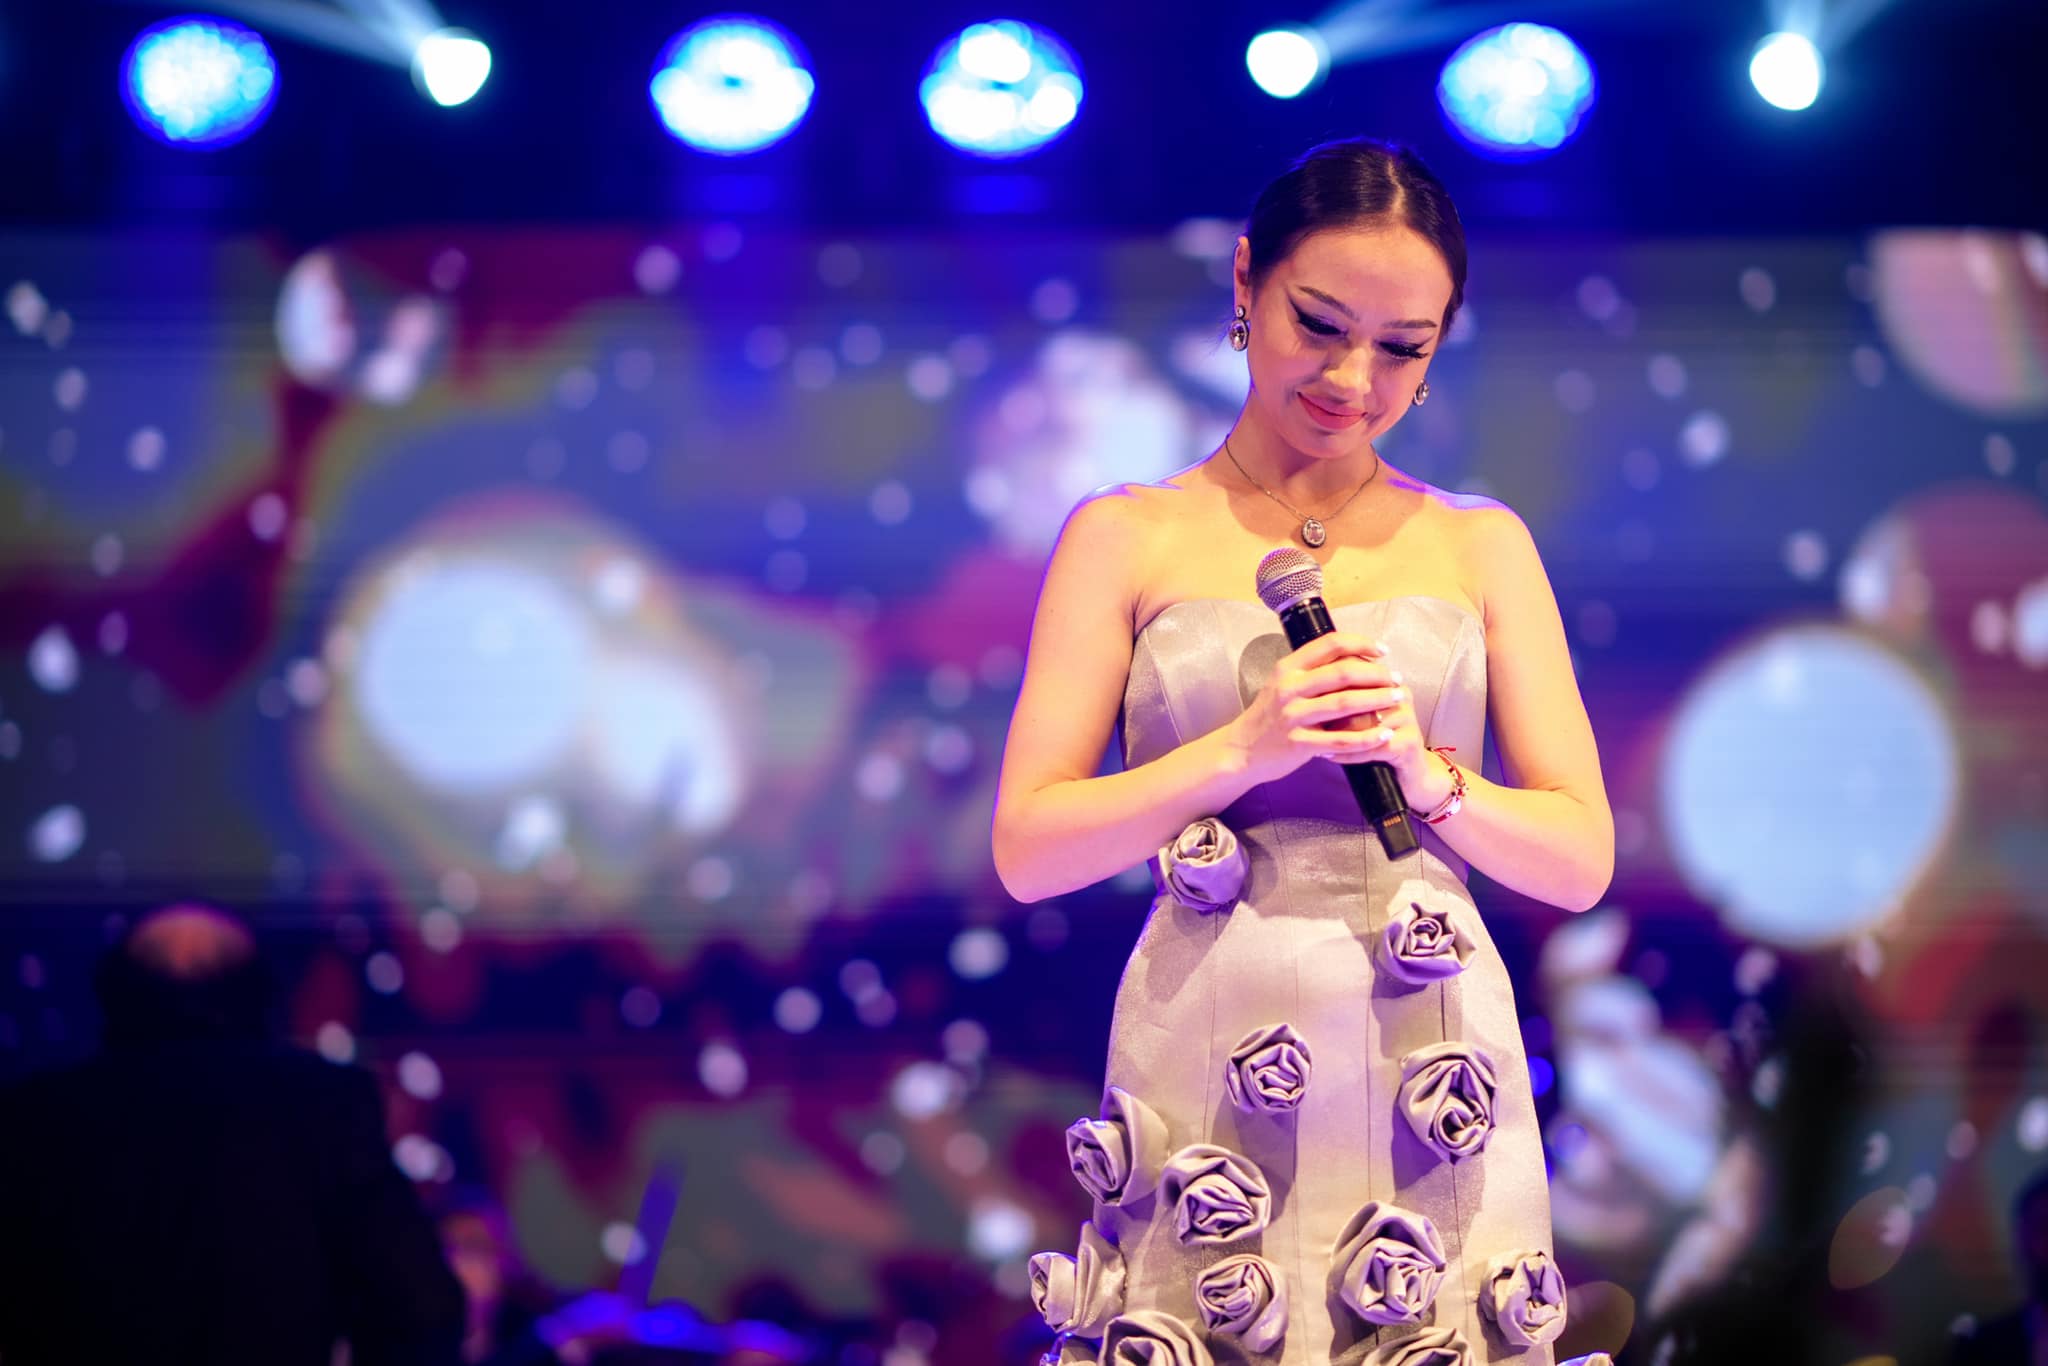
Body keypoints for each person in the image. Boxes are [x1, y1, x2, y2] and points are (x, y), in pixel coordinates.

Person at [993, 137, 1613, 1364]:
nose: (1350, 377)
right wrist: (1242, 747)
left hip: (1427, 1041)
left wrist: (1431, 779)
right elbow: (1027, 847)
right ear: (1244, 282)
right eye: (1317, 324)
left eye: (1401, 348)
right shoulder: (1126, 535)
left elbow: (1579, 857)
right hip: (1206, 1040)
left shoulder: (1479, 544)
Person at [0, 905, 465, 1365]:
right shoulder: (325, 1103)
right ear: (257, 992)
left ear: (115, 991)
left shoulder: (34, 1113)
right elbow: (420, 1310)